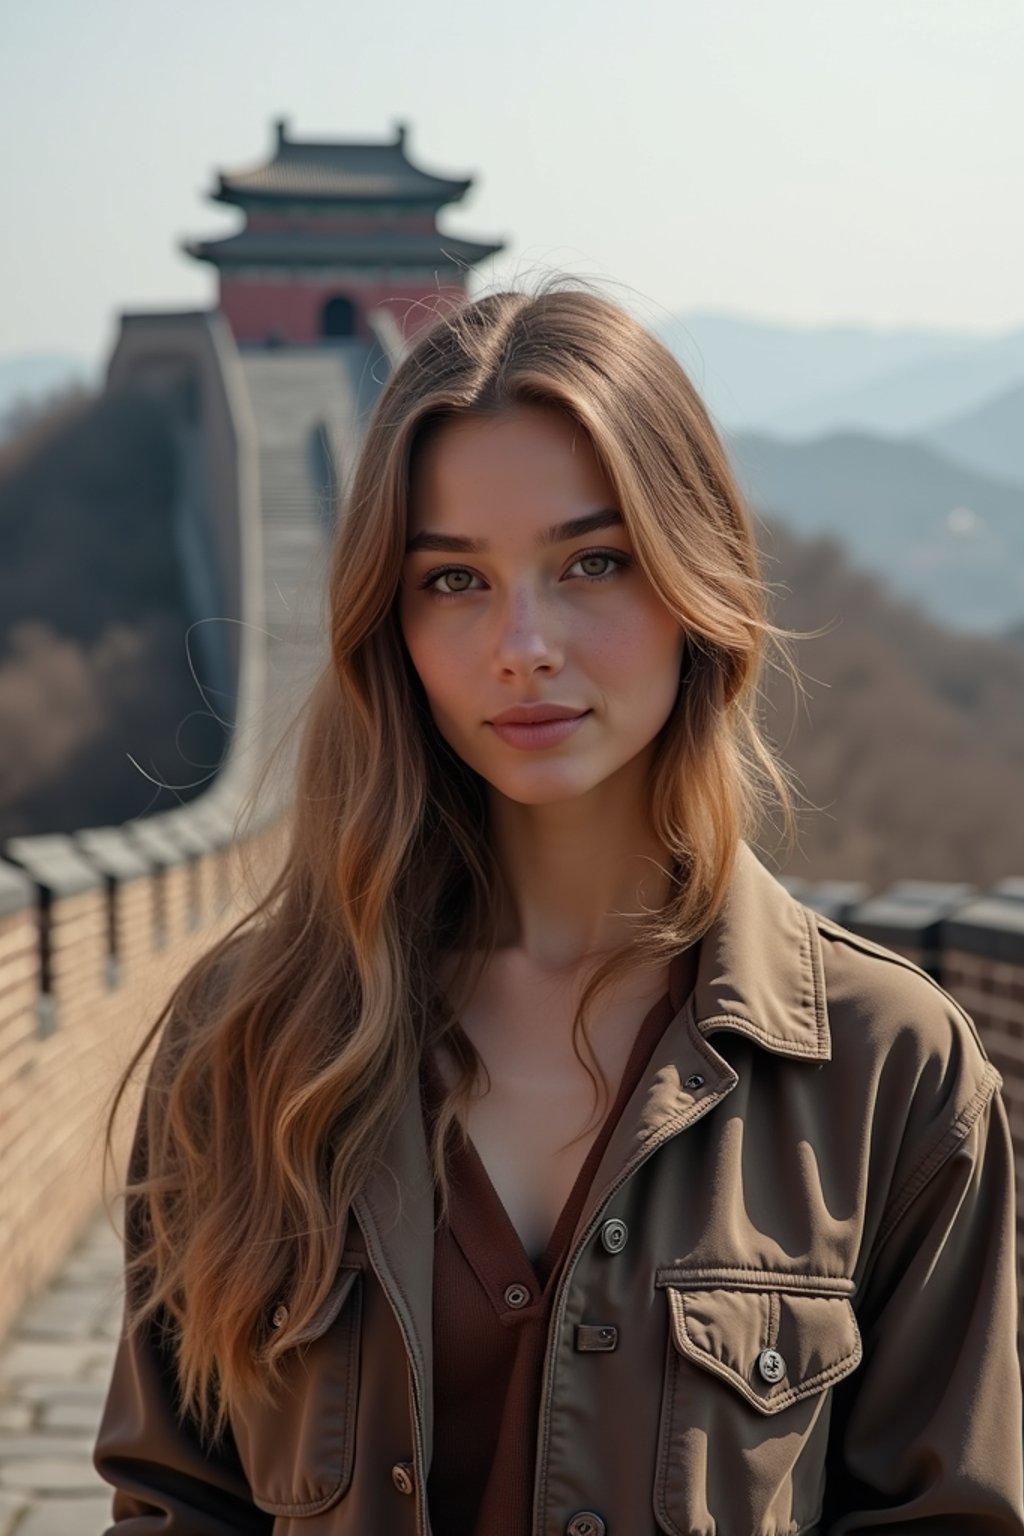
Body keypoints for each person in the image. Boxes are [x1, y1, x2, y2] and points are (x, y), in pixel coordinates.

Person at [94, 286, 1024, 1535]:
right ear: (391, 624)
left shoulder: (886, 1068)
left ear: (696, 582)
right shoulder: (250, 1040)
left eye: (593, 563)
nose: (521, 644)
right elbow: (173, 1498)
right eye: (454, 580)